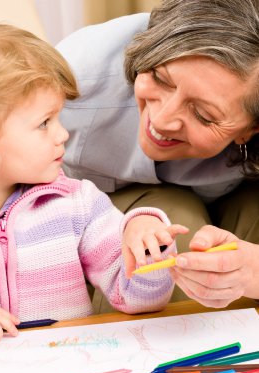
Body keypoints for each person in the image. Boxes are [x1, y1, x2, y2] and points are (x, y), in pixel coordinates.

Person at [0, 23, 187, 349]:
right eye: (44, 123)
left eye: (58, 118)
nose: (63, 134)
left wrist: (150, 247)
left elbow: (137, 299)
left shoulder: (78, 204)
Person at [54, 0, 259, 306]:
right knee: (171, 232)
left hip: (236, 192)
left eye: (203, 114)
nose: (161, 120)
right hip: (90, 204)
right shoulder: (73, 79)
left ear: (251, 130)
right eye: (160, 79)